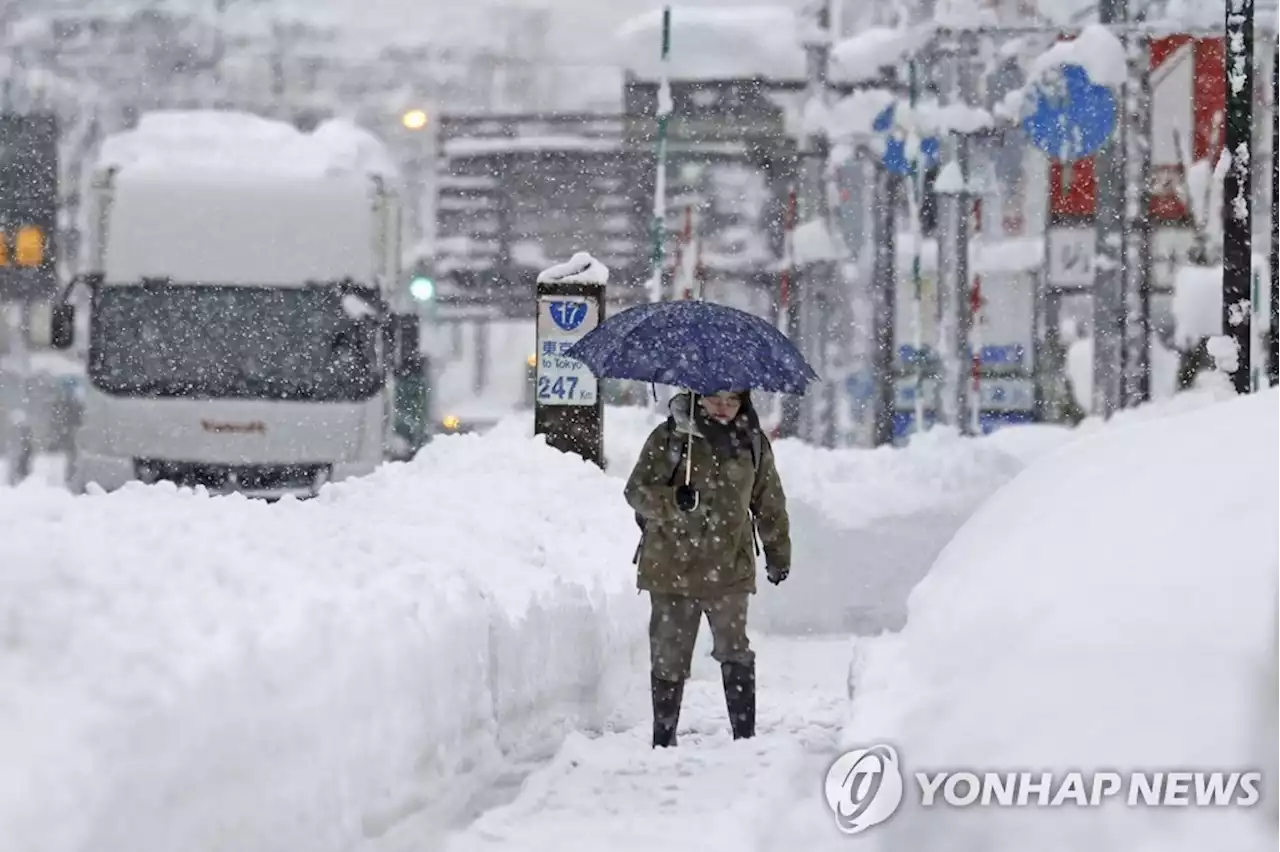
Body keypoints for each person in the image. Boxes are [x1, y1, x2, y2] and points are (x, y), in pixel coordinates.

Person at [624, 388, 791, 747]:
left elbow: (769, 501)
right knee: (668, 656)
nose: (723, 408)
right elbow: (635, 491)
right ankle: (663, 739)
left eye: (732, 401)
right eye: (715, 398)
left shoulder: (753, 444)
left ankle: (744, 738)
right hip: (671, 567)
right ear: (698, 397)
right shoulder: (669, 438)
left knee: (736, 650)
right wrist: (672, 500)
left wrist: (778, 553)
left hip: (730, 567)